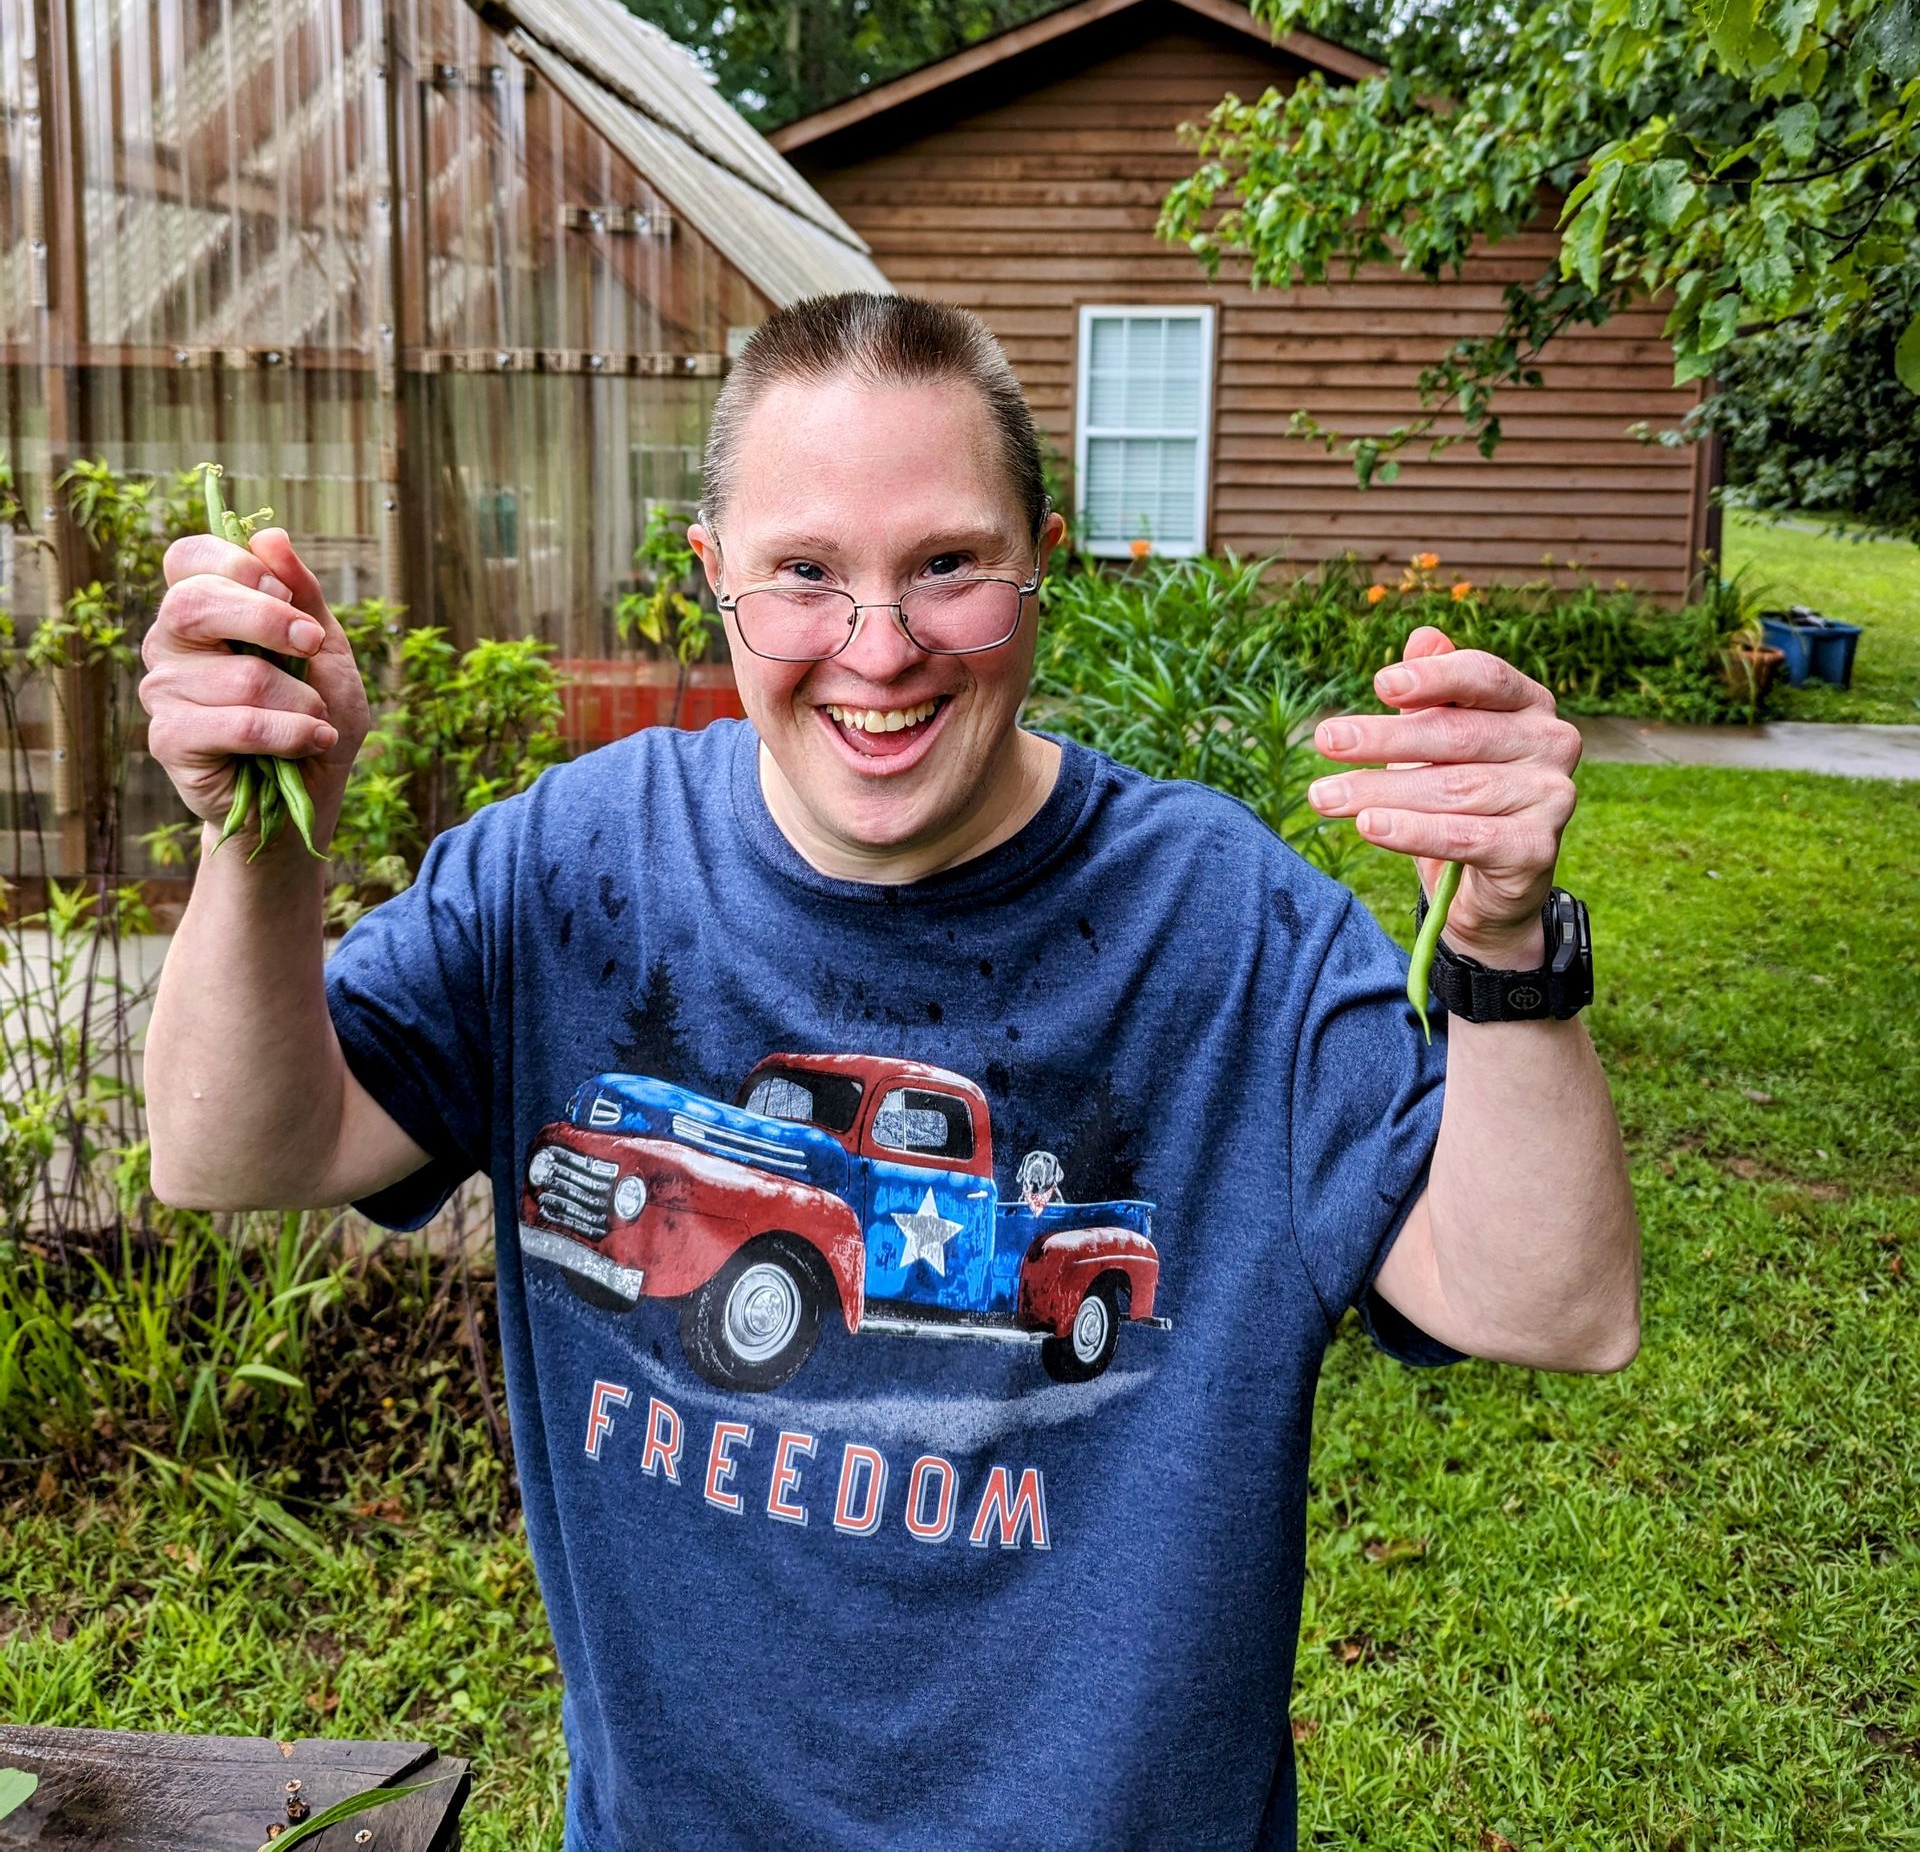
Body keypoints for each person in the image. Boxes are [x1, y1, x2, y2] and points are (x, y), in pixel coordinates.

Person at [139, 292, 1638, 1852]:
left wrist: (1510, 939)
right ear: (711, 573)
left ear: (1040, 558)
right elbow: (229, 1144)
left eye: (946, 566)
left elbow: (1553, 1302)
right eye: (805, 572)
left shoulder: (1225, 923)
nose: (880, 647)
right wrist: (258, 822)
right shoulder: (573, 864)